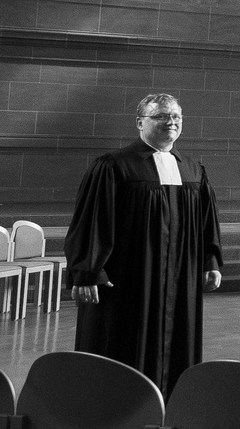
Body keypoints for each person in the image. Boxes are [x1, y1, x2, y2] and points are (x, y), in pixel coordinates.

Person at [63, 92, 222, 391]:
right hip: (129, 280)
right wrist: (87, 271)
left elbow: (206, 222)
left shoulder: (192, 169)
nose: (170, 122)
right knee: (121, 345)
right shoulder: (114, 166)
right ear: (140, 122)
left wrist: (209, 260)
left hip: (179, 280)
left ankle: (169, 397)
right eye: (161, 116)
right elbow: (93, 220)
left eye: (176, 117)